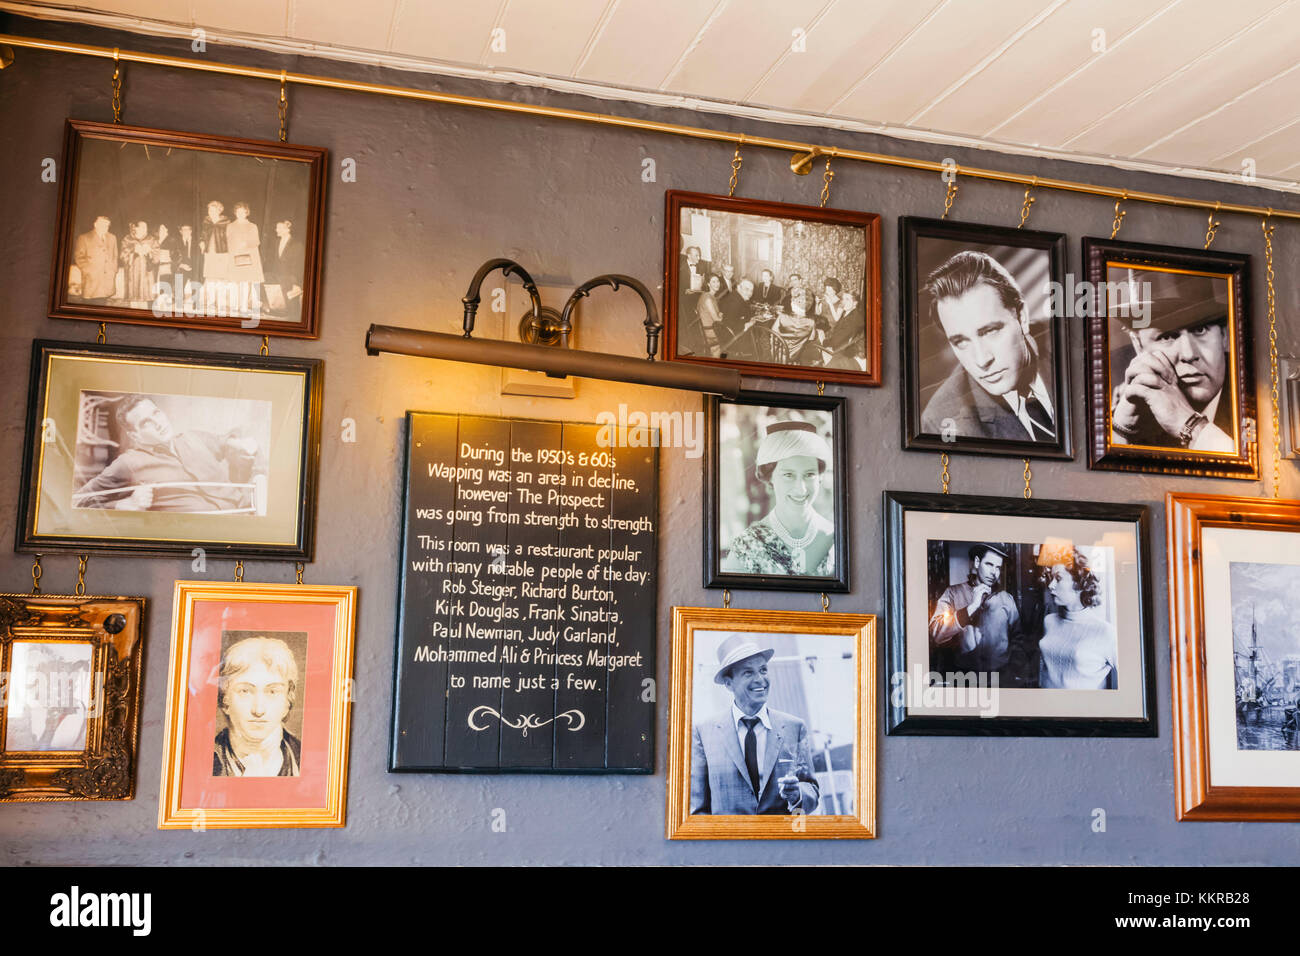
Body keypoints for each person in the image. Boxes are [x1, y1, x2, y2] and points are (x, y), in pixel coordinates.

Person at [919, 251, 1056, 443]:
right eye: (961, 342)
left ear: (1021, 317)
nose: (982, 360)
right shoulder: (942, 421)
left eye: (990, 331)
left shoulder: (1082, 344)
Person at [690, 633, 819, 815]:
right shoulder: (703, 733)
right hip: (727, 842)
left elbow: (811, 790)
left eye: (763, 670)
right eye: (748, 672)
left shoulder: (794, 728)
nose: (760, 679)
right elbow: (697, 810)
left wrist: (797, 794)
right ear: (729, 684)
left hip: (781, 841)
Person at [1109, 269, 1234, 451]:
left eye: (1200, 330)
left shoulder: (1259, 398)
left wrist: (1190, 425)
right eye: (1167, 336)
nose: (1189, 354)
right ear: (1138, 346)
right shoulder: (1125, 407)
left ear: (1224, 336)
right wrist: (1120, 431)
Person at [72, 395, 261, 513]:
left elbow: (224, 442)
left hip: (251, 510)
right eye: (146, 422)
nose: (158, 423)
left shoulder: (193, 437)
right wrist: (123, 505)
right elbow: (77, 501)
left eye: (156, 413)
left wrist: (236, 443)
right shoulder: (129, 463)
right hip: (215, 538)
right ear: (134, 435)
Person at [723, 419, 833, 576]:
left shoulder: (836, 539)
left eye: (809, 474)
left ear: (820, 477)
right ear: (770, 478)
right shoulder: (748, 545)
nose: (801, 488)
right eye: (788, 475)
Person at [213, 636, 301, 777]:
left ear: (287, 701)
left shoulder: (305, 759)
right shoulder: (206, 760)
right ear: (225, 700)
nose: (258, 710)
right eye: (245, 691)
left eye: (272, 691)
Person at [928, 543, 1022, 676]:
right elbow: (935, 634)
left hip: (1000, 677)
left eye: (998, 567)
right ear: (977, 562)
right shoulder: (952, 594)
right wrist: (971, 608)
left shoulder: (1007, 599)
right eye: (989, 564)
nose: (994, 573)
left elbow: (1019, 640)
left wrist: (1013, 672)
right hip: (963, 677)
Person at [1037, 546, 1117, 690]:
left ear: (1079, 583)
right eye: (1051, 578)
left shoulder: (1106, 632)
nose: (1051, 585)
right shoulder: (1049, 621)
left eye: (1058, 579)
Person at [226, 201, 266, 313]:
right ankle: (234, 306)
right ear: (235, 213)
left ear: (246, 213)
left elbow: (256, 242)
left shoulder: (253, 226)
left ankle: (243, 306)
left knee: (244, 282)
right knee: (234, 282)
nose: (240, 213)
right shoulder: (230, 226)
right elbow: (226, 242)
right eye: (238, 211)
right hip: (234, 257)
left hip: (247, 258)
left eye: (242, 211)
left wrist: (245, 244)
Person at [72, 214, 118, 302]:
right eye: (102, 225)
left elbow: (115, 256)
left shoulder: (112, 238)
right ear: (95, 224)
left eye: (107, 225)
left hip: (107, 279)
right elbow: (79, 257)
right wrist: (88, 270)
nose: (105, 227)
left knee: (103, 305)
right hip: (92, 280)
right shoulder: (84, 238)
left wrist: (113, 269)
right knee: (89, 305)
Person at [771, 287, 821, 365]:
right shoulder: (811, 322)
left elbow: (773, 333)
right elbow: (811, 338)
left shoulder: (782, 316)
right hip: (794, 357)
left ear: (793, 303)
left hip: (777, 355)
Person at [265, 219, 304, 317]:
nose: (276, 229)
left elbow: (300, 265)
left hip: (290, 278)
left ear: (287, 229)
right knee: (263, 278)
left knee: (292, 307)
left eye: (279, 228)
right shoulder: (276, 242)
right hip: (277, 275)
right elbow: (273, 260)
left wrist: (297, 284)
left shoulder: (297, 244)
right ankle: (272, 310)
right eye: (276, 227)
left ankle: (295, 320)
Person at [822, 287, 865, 370]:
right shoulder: (847, 312)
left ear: (855, 303)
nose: (843, 302)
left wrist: (825, 342)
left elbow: (840, 339)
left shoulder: (855, 318)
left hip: (844, 352)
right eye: (843, 299)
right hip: (840, 348)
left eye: (847, 299)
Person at [119, 220, 159, 308]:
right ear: (135, 228)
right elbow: (122, 256)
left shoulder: (151, 239)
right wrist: (133, 249)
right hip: (132, 274)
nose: (145, 229)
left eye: (146, 227)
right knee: (133, 301)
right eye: (142, 227)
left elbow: (157, 258)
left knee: (145, 301)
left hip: (146, 275)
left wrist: (150, 252)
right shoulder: (127, 239)